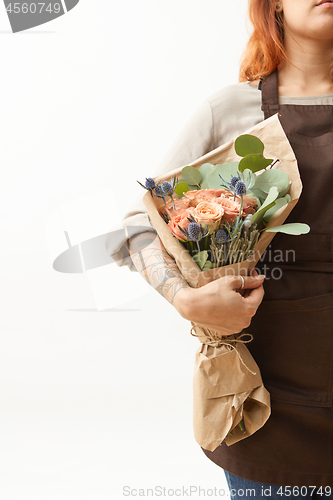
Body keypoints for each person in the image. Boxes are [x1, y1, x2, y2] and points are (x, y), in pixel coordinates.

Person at [107, 0, 333, 495]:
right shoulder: (232, 110)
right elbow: (136, 228)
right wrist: (185, 299)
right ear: (272, 6)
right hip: (266, 405)